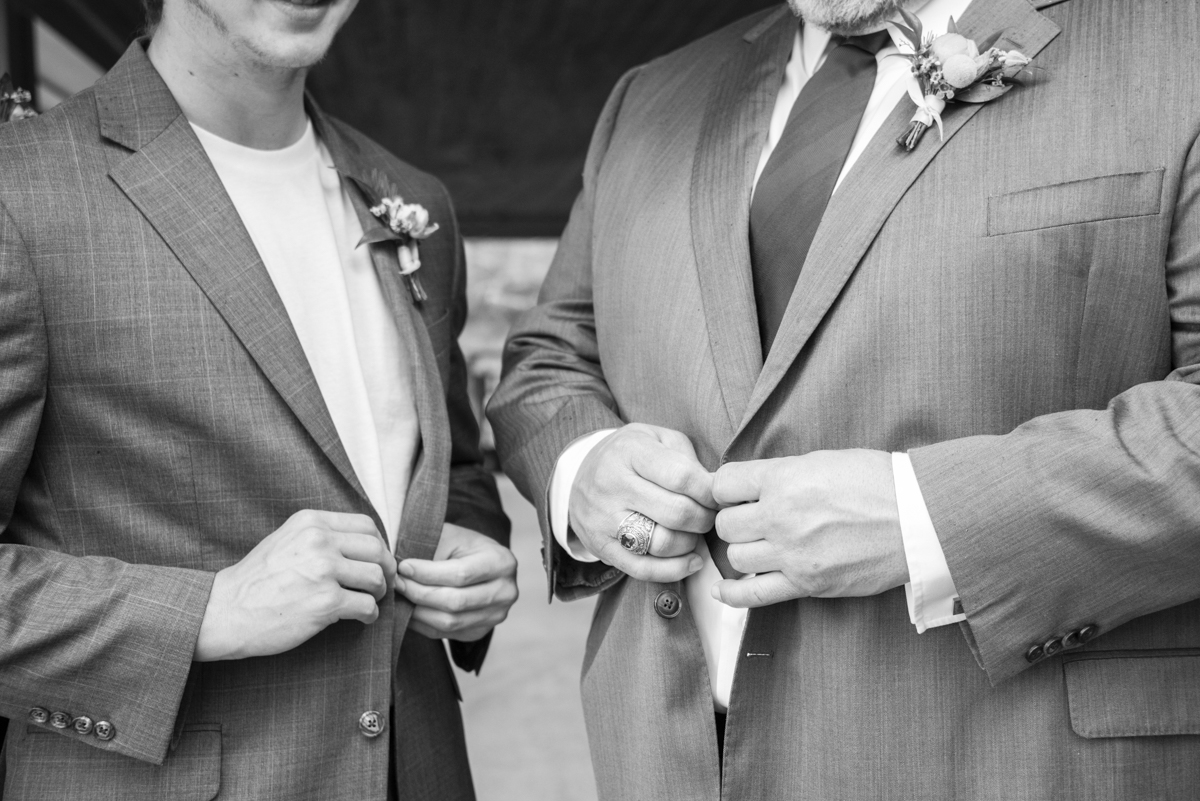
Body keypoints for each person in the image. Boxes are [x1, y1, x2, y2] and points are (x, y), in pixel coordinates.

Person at [488, 0, 1200, 797]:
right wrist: (583, 468)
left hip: (1015, 763)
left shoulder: (1179, 55)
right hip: (666, 761)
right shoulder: (653, 95)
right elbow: (549, 357)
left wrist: (918, 517)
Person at [0, 0, 518, 797]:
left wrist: (474, 555)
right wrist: (208, 610)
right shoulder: (20, 196)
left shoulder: (413, 201)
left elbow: (455, 471)